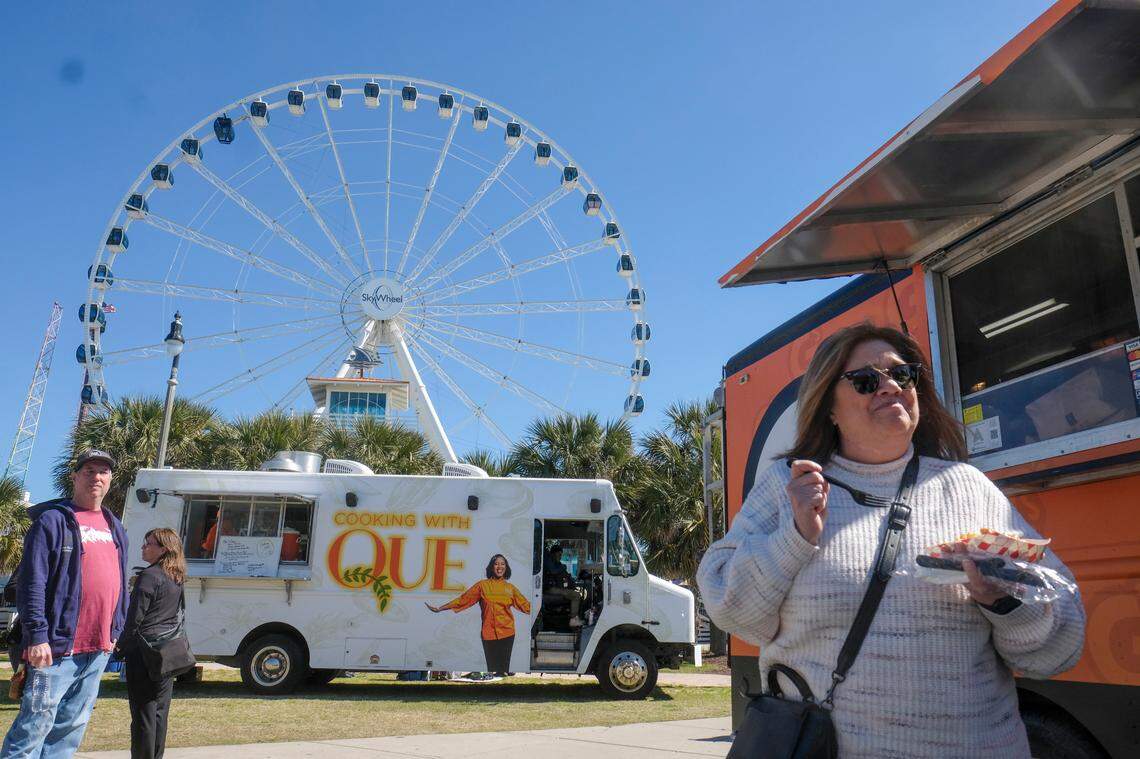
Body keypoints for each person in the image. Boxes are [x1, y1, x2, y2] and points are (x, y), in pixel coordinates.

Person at [697, 324, 1086, 758]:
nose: (889, 387)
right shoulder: (789, 486)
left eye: (903, 375)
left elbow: (1056, 651)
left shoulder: (968, 488)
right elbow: (733, 611)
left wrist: (1004, 601)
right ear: (829, 407)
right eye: (866, 380)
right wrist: (795, 537)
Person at [3, 450, 129, 758]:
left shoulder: (115, 527)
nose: (96, 477)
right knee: (33, 728)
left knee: (70, 730)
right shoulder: (52, 521)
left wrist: (116, 630)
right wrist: (37, 636)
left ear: (110, 479)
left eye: (103, 472)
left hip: (98, 650)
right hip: (55, 649)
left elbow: (122, 584)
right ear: (74, 477)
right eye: (88, 471)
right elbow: (33, 583)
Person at [116, 528, 186, 759]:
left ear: (163, 549)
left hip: (143, 652)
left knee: (143, 714)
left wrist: (120, 649)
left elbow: (135, 618)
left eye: (149, 544)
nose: (143, 547)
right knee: (159, 712)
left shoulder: (149, 576)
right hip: (166, 652)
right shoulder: (175, 577)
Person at [425, 554, 530, 676]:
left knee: (503, 670)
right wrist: (441, 608)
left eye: (502, 564)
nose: (499, 567)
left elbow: (526, 606)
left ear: (506, 567)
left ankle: (502, 692)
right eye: (496, 564)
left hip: (507, 633)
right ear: (491, 567)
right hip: (488, 634)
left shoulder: (510, 588)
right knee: (492, 668)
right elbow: (463, 600)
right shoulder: (482, 586)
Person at [542, 545, 582, 627]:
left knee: (575, 592)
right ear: (553, 554)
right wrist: (563, 567)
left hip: (555, 588)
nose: (560, 556)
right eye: (559, 554)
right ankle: (573, 620)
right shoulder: (548, 561)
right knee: (576, 595)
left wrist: (572, 583)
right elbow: (553, 571)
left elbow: (565, 575)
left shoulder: (557, 564)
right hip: (549, 589)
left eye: (561, 555)